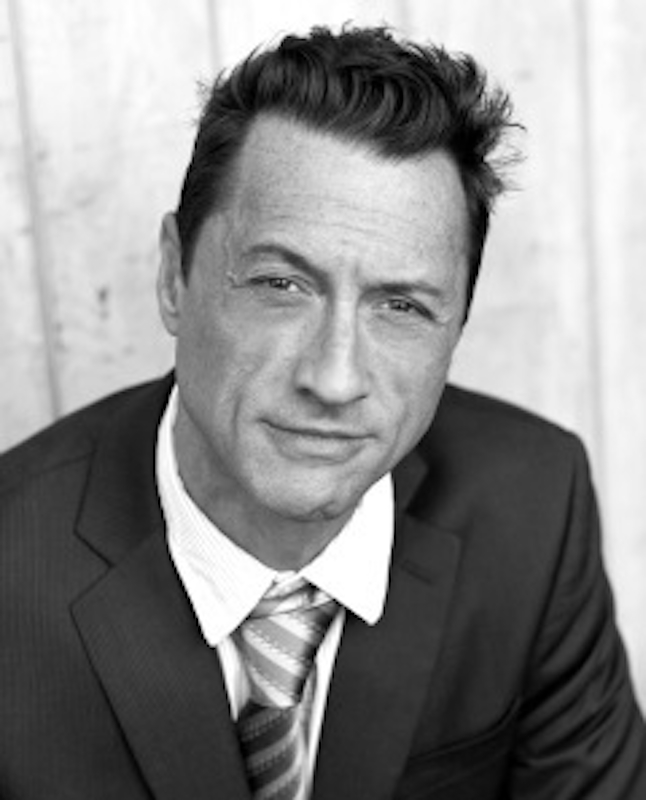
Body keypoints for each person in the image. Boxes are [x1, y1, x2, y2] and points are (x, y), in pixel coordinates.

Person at [0, 25, 644, 800]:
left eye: (402, 306)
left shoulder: (532, 506)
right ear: (174, 276)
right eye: (281, 285)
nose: (335, 380)